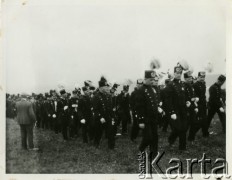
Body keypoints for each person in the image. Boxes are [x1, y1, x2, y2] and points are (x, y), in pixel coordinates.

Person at [135, 70, 161, 158]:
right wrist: (141, 120)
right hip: (146, 118)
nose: (152, 81)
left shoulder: (153, 89)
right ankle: (141, 149)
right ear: (145, 79)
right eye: (150, 79)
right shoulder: (141, 90)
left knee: (155, 137)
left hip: (153, 118)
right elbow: (139, 107)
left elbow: (154, 103)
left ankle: (153, 154)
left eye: (153, 79)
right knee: (148, 137)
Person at [166, 65, 188, 151]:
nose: (178, 75)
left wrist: (187, 101)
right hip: (175, 110)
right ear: (174, 73)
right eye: (177, 73)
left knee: (184, 128)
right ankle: (176, 143)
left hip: (183, 110)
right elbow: (168, 100)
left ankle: (180, 146)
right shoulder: (171, 85)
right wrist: (172, 112)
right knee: (179, 128)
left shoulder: (182, 84)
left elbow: (184, 96)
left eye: (180, 73)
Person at [92, 76, 115, 149]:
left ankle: (111, 147)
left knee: (111, 133)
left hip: (107, 117)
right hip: (99, 119)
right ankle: (96, 144)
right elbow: (95, 109)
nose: (107, 88)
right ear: (101, 88)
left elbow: (109, 108)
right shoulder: (96, 97)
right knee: (98, 133)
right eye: (105, 87)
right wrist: (100, 117)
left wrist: (113, 117)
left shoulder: (108, 96)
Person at [193, 71, 208, 137]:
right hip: (198, 104)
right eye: (201, 77)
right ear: (198, 77)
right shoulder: (195, 85)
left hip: (203, 103)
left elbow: (203, 94)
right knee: (201, 119)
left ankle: (205, 133)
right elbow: (194, 95)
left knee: (204, 118)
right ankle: (193, 133)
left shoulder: (203, 84)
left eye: (203, 77)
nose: (202, 78)